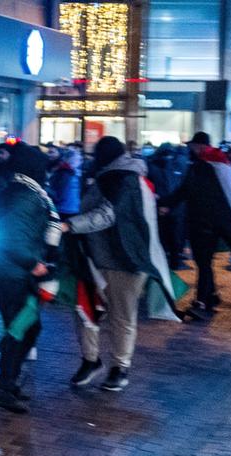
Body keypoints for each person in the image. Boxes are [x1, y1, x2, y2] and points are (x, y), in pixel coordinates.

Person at [60, 137, 158, 392]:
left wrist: (72, 225)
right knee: (86, 311)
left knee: (121, 316)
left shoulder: (124, 179)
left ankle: (119, 367)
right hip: (95, 256)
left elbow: (108, 214)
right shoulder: (112, 175)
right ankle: (92, 361)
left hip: (125, 260)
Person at [0, 143, 60, 414]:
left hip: (11, 270)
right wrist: (33, 263)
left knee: (25, 328)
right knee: (20, 329)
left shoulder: (20, 191)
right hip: (16, 272)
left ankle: (8, 381)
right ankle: (2, 387)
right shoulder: (25, 195)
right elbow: (12, 237)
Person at [159, 132, 231, 320]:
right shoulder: (222, 163)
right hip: (214, 224)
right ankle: (211, 297)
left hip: (202, 224)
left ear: (199, 146)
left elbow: (187, 190)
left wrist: (165, 204)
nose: (191, 149)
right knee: (205, 263)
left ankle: (202, 303)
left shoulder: (203, 165)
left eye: (193, 146)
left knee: (203, 264)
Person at [47, 146, 81, 218]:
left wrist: (45, 188)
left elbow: (59, 196)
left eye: (51, 152)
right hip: (71, 209)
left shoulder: (65, 172)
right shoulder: (73, 172)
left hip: (63, 210)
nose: (49, 155)